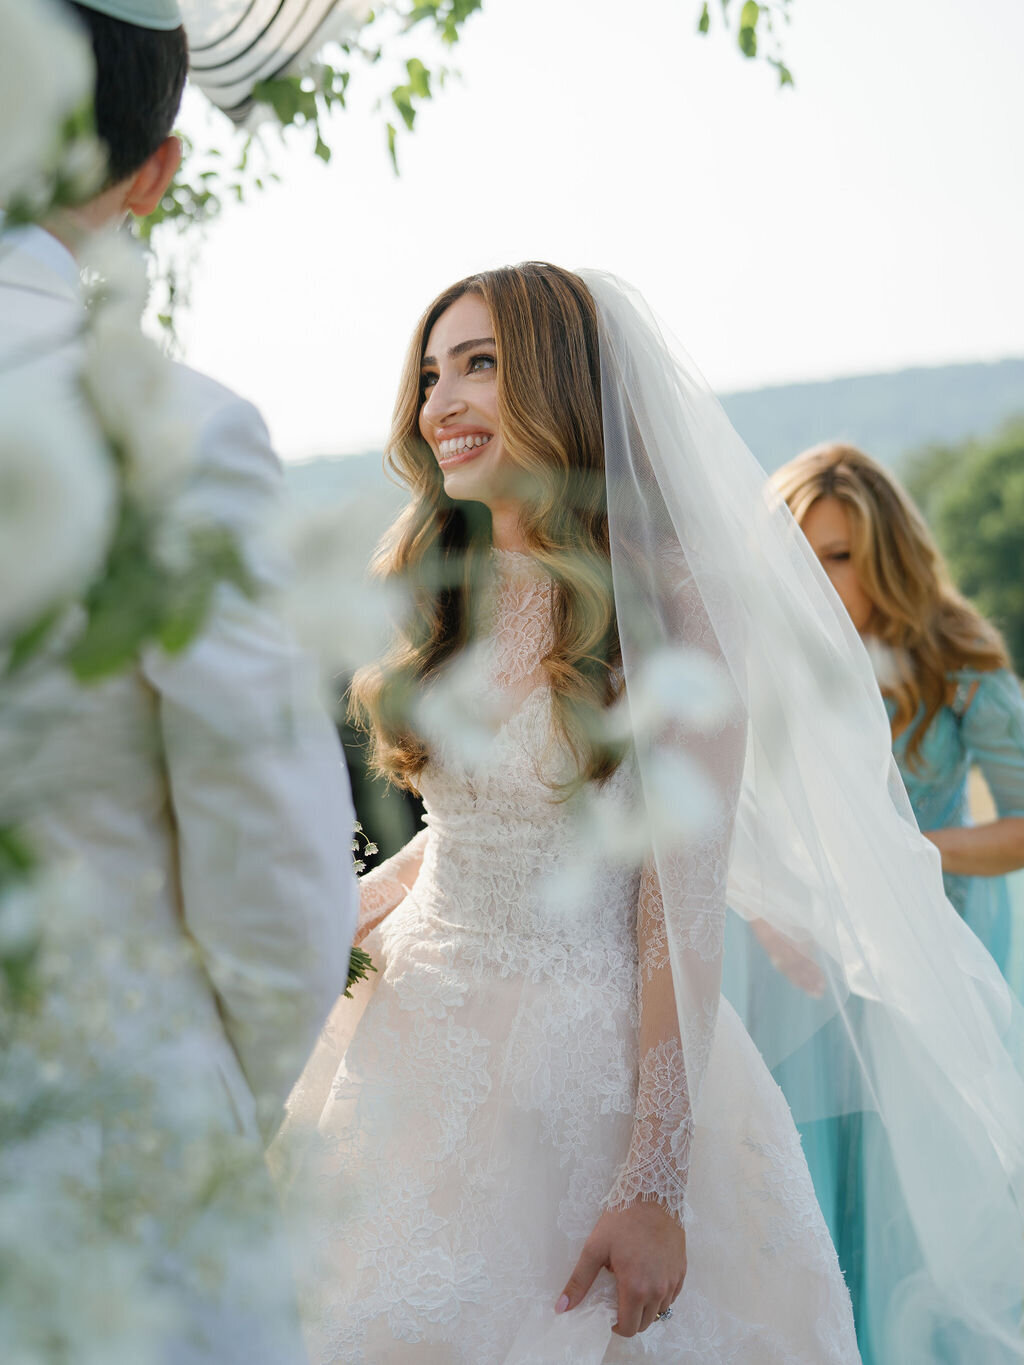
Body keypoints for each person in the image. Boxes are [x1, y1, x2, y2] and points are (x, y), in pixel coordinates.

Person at [280, 263, 1024, 1364]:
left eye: (480, 364)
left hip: (580, 1077)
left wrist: (652, 1180)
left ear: (561, 382)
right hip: (408, 1056)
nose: (441, 402)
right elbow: (471, 830)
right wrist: (340, 912)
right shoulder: (454, 585)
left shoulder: (669, 606)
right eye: (431, 373)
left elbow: (674, 905)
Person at [0, 2, 358, 1359]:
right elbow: (265, 837)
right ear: (153, 175)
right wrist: (208, 1084)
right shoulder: (180, 431)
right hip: (97, 1119)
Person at [755, 442, 1024, 1363]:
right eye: (797, 551)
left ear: (886, 556)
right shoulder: (754, 665)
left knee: (922, 1198)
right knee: (811, 1183)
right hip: (796, 967)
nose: (815, 576)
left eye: (836, 554)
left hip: (936, 957)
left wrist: (906, 860)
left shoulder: (957, 662)